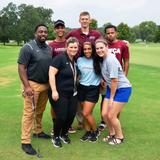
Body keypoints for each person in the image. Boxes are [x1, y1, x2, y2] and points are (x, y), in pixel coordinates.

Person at [17, 24, 52, 155]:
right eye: (40, 31)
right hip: (32, 85)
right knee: (29, 113)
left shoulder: (48, 48)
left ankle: (38, 130)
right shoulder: (28, 47)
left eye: (45, 32)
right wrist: (26, 86)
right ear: (35, 33)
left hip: (45, 85)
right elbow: (21, 68)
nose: (43, 33)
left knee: (40, 110)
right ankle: (25, 141)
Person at [65, 11, 102, 130]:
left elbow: (103, 44)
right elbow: (63, 42)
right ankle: (80, 121)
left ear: (90, 20)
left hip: (92, 68)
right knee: (77, 99)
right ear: (79, 20)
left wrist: (123, 42)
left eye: (86, 19)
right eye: (82, 19)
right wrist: (48, 42)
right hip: (77, 67)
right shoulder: (73, 33)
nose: (84, 21)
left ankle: (86, 123)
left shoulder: (95, 33)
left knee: (87, 103)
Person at [95, 38, 132, 145]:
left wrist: (111, 98)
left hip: (122, 89)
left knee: (111, 115)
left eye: (101, 48)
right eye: (97, 48)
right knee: (104, 114)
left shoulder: (110, 59)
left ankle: (119, 137)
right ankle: (112, 133)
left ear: (107, 47)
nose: (99, 50)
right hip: (112, 88)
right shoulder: (102, 58)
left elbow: (115, 80)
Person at [98, 24, 130, 131]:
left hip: (117, 80)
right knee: (105, 106)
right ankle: (108, 124)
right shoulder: (103, 45)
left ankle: (116, 125)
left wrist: (124, 74)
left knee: (114, 107)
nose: (110, 35)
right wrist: (102, 78)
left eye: (112, 33)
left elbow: (126, 60)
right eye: (108, 33)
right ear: (105, 34)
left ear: (116, 33)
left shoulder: (123, 44)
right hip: (108, 81)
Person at [48, 37, 79, 148]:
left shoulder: (74, 60)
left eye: (75, 47)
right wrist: (54, 91)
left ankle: (63, 134)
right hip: (59, 93)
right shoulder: (59, 58)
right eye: (71, 47)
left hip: (72, 93)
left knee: (71, 116)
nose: (73, 49)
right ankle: (55, 136)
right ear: (67, 47)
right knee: (61, 116)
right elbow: (51, 74)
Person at [77, 41, 101, 142]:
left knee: (86, 113)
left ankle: (95, 131)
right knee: (85, 113)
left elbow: (105, 71)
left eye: (89, 49)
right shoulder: (79, 59)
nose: (87, 51)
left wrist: (104, 80)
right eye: (85, 49)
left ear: (93, 49)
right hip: (81, 88)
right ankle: (88, 131)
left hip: (93, 88)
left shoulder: (98, 59)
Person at [48, 19, 68, 135]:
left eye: (61, 27)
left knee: (67, 103)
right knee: (54, 103)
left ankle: (66, 125)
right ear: (55, 30)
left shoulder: (68, 43)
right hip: (55, 79)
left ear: (64, 29)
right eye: (57, 27)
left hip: (68, 79)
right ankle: (55, 124)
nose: (60, 29)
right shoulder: (51, 45)